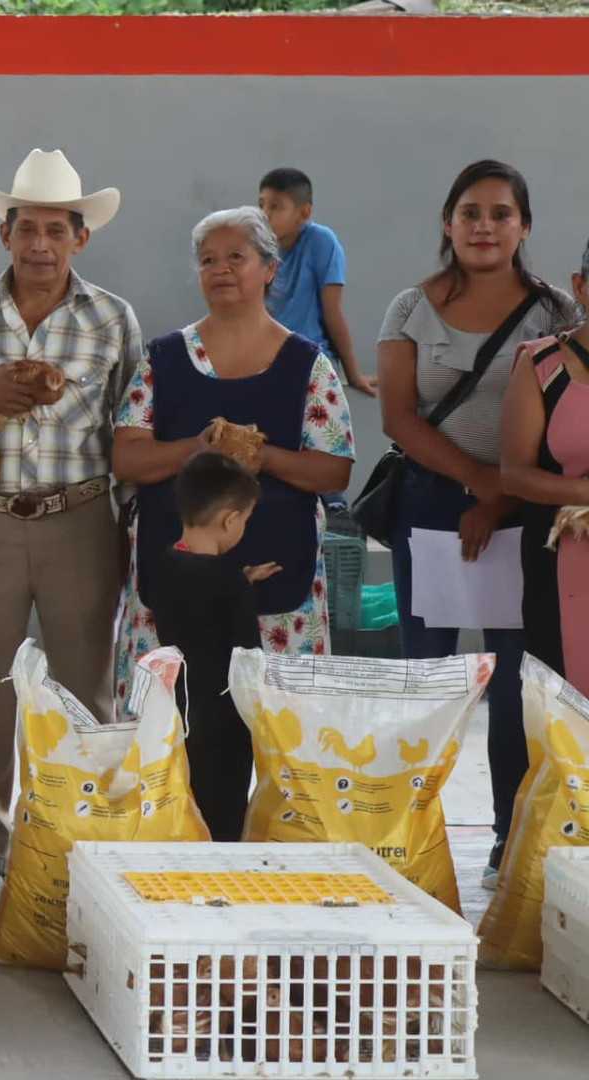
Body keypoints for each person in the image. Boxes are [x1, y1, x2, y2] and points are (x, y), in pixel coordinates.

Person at [0, 149, 141, 889]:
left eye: (55, 230)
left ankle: (81, 831)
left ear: (82, 238)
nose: (40, 245)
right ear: (4, 235)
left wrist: (130, 530)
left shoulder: (111, 319)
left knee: (84, 683)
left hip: (81, 516)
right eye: (26, 229)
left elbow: (132, 426)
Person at [375, 159, 576, 889]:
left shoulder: (557, 314)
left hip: (527, 516)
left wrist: (502, 498)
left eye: (500, 214)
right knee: (424, 681)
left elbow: (564, 409)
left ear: (523, 226)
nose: (484, 226)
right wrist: (478, 484)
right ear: (447, 222)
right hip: (431, 511)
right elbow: (397, 415)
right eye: (470, 213)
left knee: (519, 684)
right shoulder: (408, 308)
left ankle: (508, 837)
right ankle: (407, 837)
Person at [112, 208, 354, 718]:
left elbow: (333, 469)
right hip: (172, 576)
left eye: (235, 257)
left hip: (279, 576)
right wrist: (198, 450)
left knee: (281, 735)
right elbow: (128, 457)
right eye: (207, 260)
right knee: (167, 731)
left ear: (270, 268)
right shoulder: (164, 359)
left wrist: (260, 456)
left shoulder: (308, 364)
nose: (219, 269)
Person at [145, 452, 276, 842]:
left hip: (178, 711)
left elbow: (194, 597)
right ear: (230, 519)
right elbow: (247, 657)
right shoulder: (228, 581)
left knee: (187, 802)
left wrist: (238, 582)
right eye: (246, 521)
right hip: (225, 721)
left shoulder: (162, 566)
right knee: (223, 812)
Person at [501, 239, 589, 693]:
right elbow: (514, 473)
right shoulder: (542, 364)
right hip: (560, 562)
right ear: (581, 286)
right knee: (566, 713)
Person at [258, 167, 377, 397]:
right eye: (261, 204)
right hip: (265, 358)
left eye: (276, 206)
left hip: (312, 359)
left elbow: (332, 312)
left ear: (303, 214)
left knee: (312, 427)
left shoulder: (321, 242)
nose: (265, 214)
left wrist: (353, 375)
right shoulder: (257, 247)